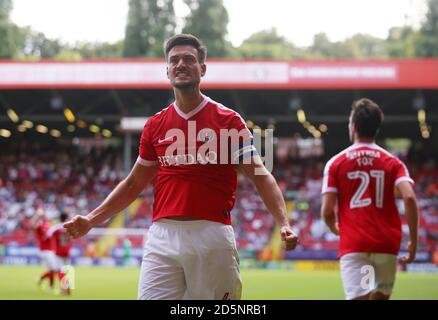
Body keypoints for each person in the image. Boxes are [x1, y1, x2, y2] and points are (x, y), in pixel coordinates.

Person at [64, 34, 298, 300]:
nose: (180, 64)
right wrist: (92, 220)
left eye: (189, 59)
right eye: (174, 60)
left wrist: (283, 222)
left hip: (211, 234)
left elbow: (261, 176)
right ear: (167, 71)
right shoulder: (154, 125)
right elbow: (133, 183)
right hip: (162, 236)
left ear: (203, 69)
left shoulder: (230, 121)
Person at [321, 98, 419, 300]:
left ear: (353, 127)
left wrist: (335, 229)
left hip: (355, 243)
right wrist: (413, 242)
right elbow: (409, 197)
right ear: (376, 128)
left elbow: (328, 211)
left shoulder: (336, 163)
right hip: (386, 243)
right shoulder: (393, 163)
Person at [30, 208, 57, 290]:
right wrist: (37, 215)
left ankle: (48, 285)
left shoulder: (49, 225)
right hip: (45, 251)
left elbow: (48, 219)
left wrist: (43, 213)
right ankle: (45, 281)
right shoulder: (40, 226)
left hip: (51, 250)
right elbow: (31, 225)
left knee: (51, 270)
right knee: (54, 269)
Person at [47, 212, 73, 295]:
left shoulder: (56, 228)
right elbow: (73, 237)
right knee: (66, 271)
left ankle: (64, 290)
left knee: (60, 271)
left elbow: (48, 235)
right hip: (67, 251)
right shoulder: (69, 227)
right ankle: (67, 289)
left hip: (59, 252)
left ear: (59, 218)